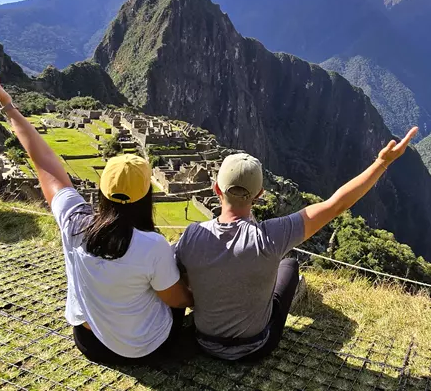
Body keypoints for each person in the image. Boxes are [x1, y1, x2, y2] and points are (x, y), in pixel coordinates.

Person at [0, 61, 194, 365]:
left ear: (103, 191)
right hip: (144, 349)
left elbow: (44, 163)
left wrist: (8, 105)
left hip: (89, 343)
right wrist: (195, 295)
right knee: (175, 296)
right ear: (147, 196)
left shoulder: (75, 223)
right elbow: (177, 300)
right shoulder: (153, 246)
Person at [175, 127, 418, 361]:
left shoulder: (192, 236)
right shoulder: (269, 237)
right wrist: (381, 163)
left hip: (203, 342)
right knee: (289, 266)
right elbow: (335, 205)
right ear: (259, 194)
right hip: (256, 346)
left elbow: (169, 276)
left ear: (216, 188)